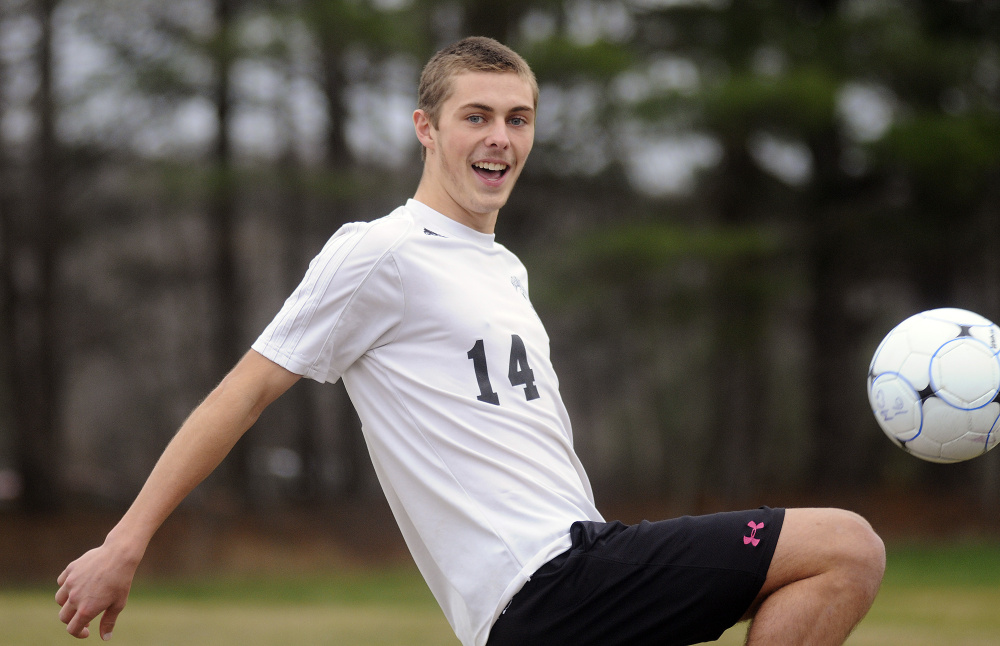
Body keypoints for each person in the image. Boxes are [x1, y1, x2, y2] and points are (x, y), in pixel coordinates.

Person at [56, 36, 885, 646]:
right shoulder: (379, 251)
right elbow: (244, 393)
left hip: (575, 574)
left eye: (518, 118)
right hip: (542, 584)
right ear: (426, 127)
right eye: (476, 116)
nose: (500, 136)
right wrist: (124, 543)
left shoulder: (505, 271)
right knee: (845, 546)